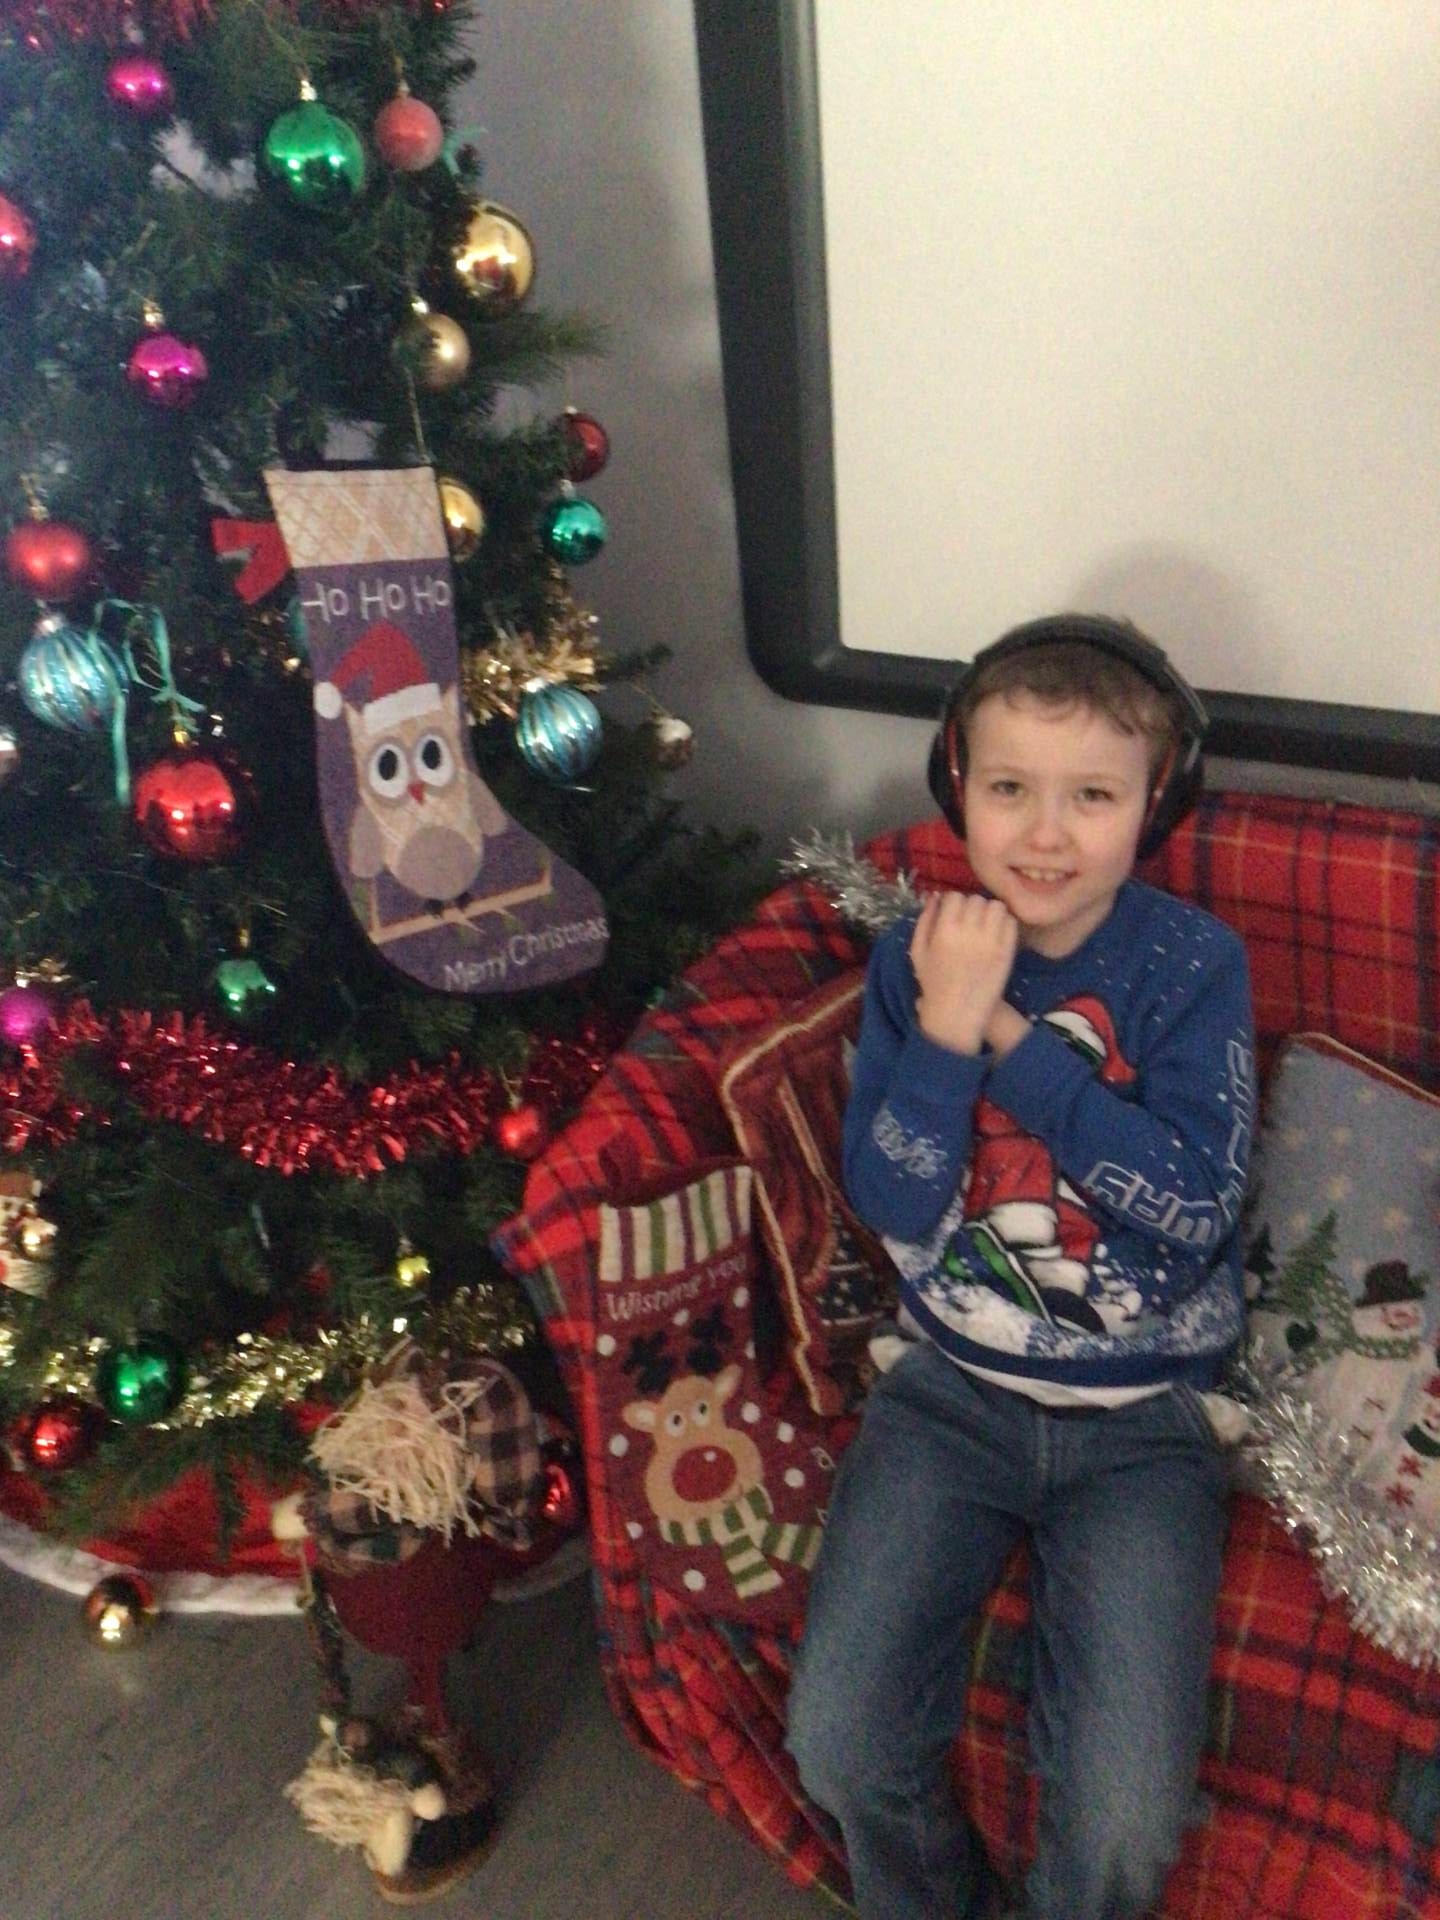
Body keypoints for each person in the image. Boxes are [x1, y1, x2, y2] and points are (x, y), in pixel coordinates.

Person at [787, 614, 1256, 1920]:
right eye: (1010, 788)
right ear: (958, 785)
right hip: (950, 1398)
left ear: (1156, 802)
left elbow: (1192, 1205)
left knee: (1125, 1819)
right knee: (839, 1740)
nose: (1045, 835)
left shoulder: (1192, 965)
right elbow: (892, 1199)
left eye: (1091, 796)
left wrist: (1000, 1031)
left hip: (1145, 1429)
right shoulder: (914, 960)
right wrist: (941, 1030)